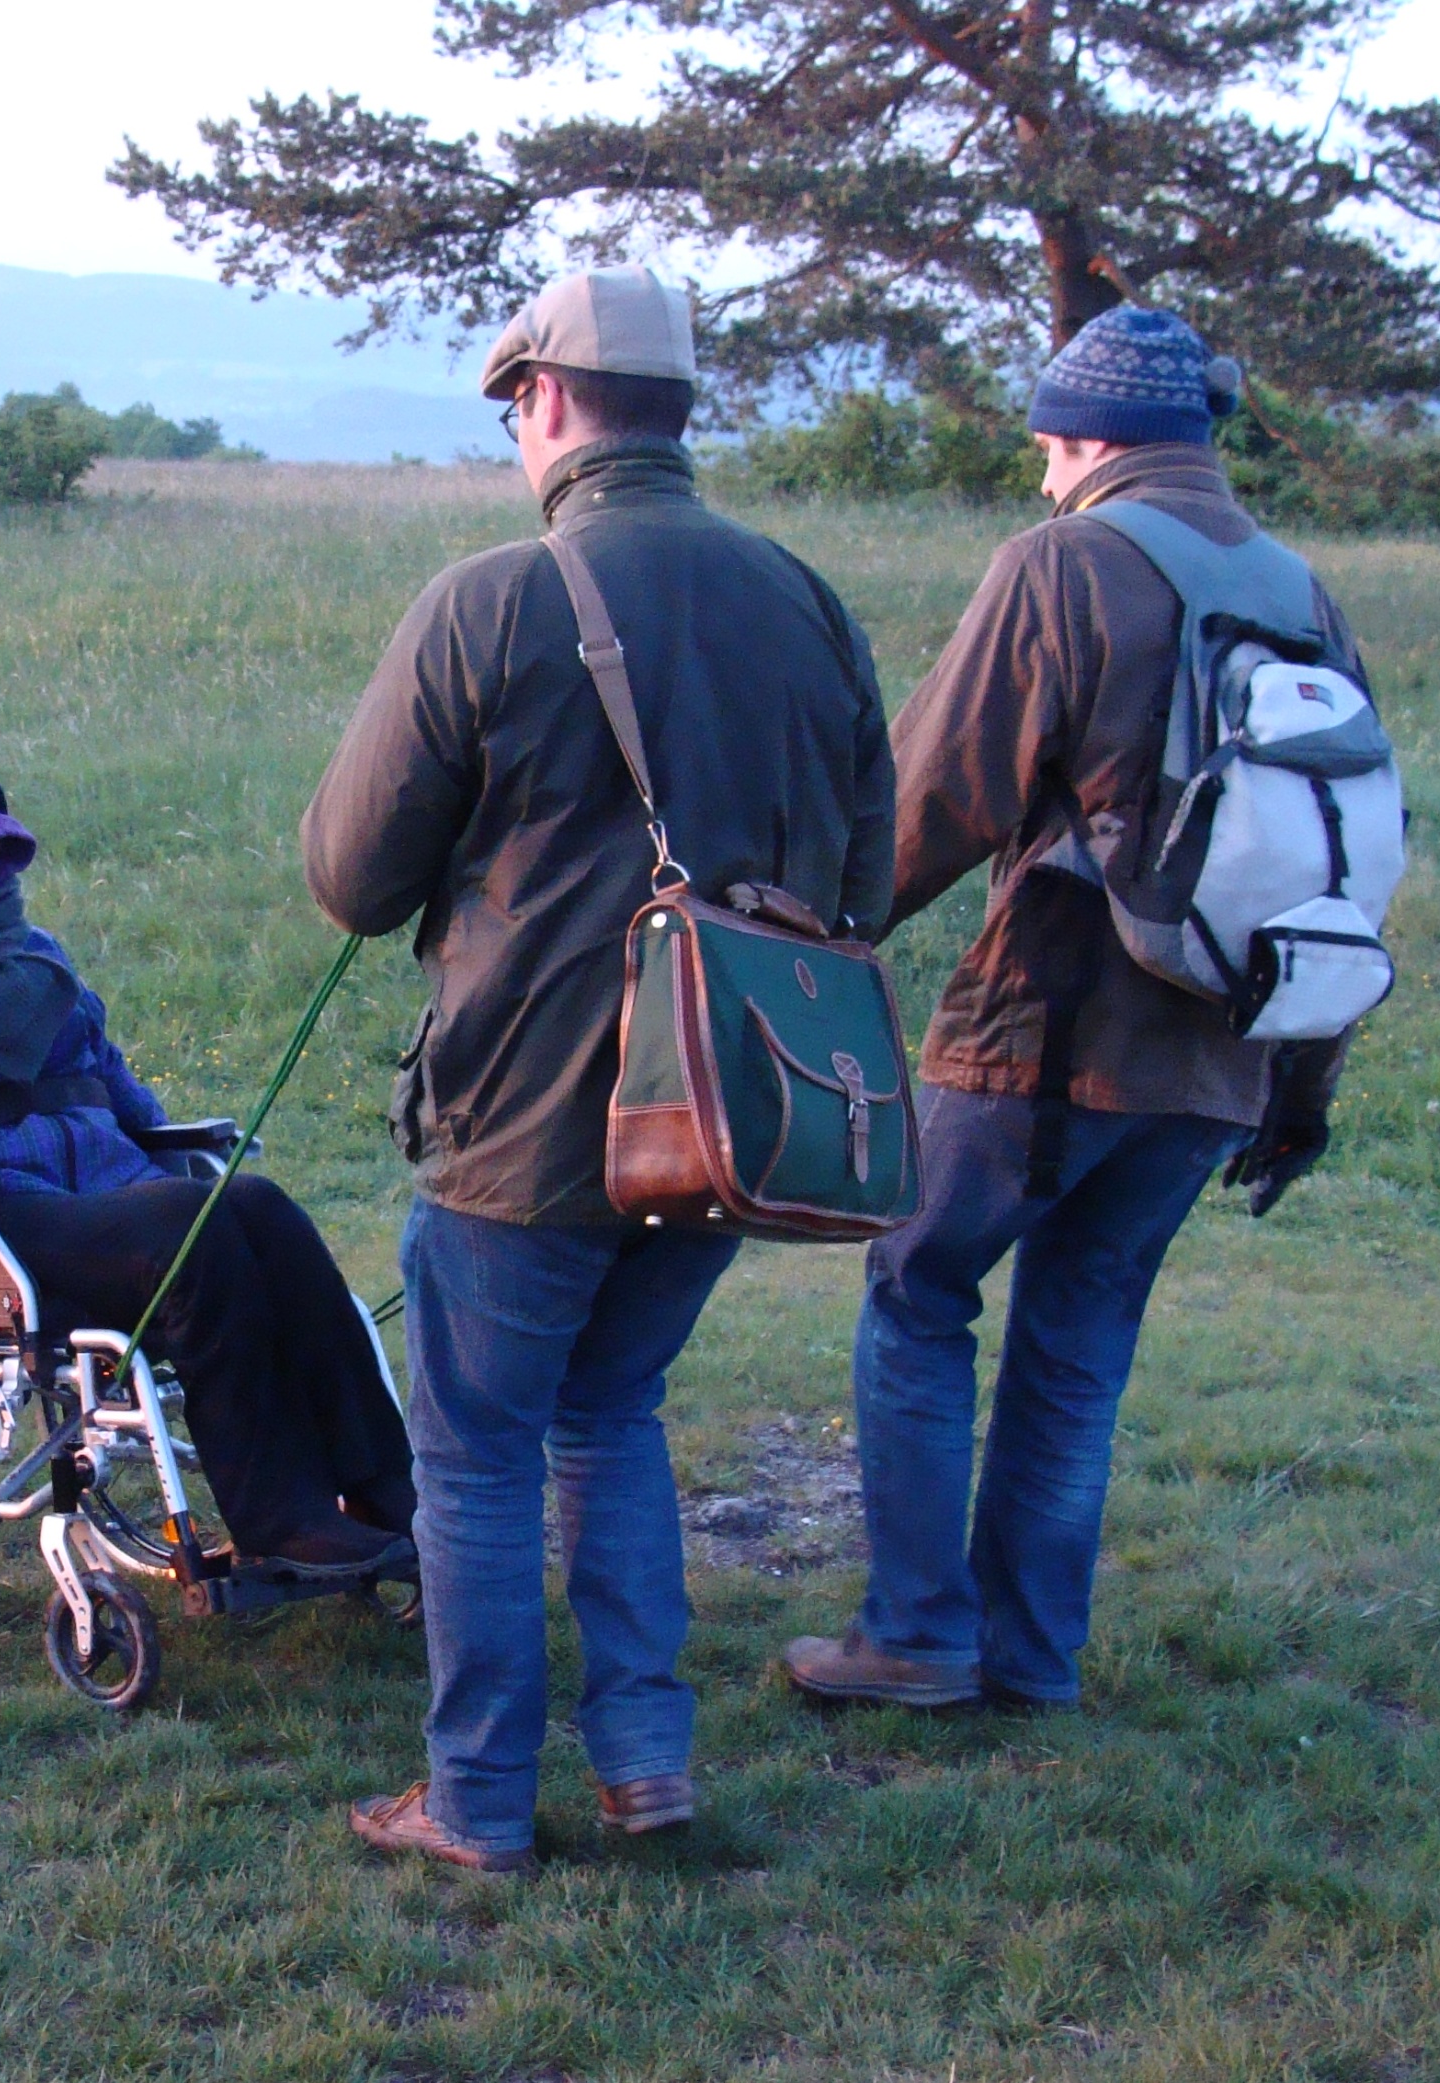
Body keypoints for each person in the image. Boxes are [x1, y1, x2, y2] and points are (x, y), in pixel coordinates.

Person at [303, 267, 896, 1872]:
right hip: (726, 1113)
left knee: (479, 1444)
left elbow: (352, 880)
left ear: (544, 402)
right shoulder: (807, 598)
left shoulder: (490, 600)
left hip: (520, 1122)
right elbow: (873, 865)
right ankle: (646, 1765)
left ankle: (478, 1798)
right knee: (613, 1416)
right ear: (675, 412)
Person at [780, 307, 1356, 1714]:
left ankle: (917, 1635)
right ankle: (1034, 1660)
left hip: (1040, 1039)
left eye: (1048, 442)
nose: (1041, 467)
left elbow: (926, 797)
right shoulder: (1300, 591)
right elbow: (1338, 858)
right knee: (1080, 1346)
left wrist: (795, 950)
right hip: (1225, 1053)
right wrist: (1301, 1088)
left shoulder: (1062, 563)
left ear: (1091, 436)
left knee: (918, 1292)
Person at [0, 766, 415, 1569]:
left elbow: (103, 1075)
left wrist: (176, 1139)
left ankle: (392, 1493)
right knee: (191, 1234)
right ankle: (281, 1522)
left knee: (256, 1206)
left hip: (108, 1190)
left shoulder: (33, 958)